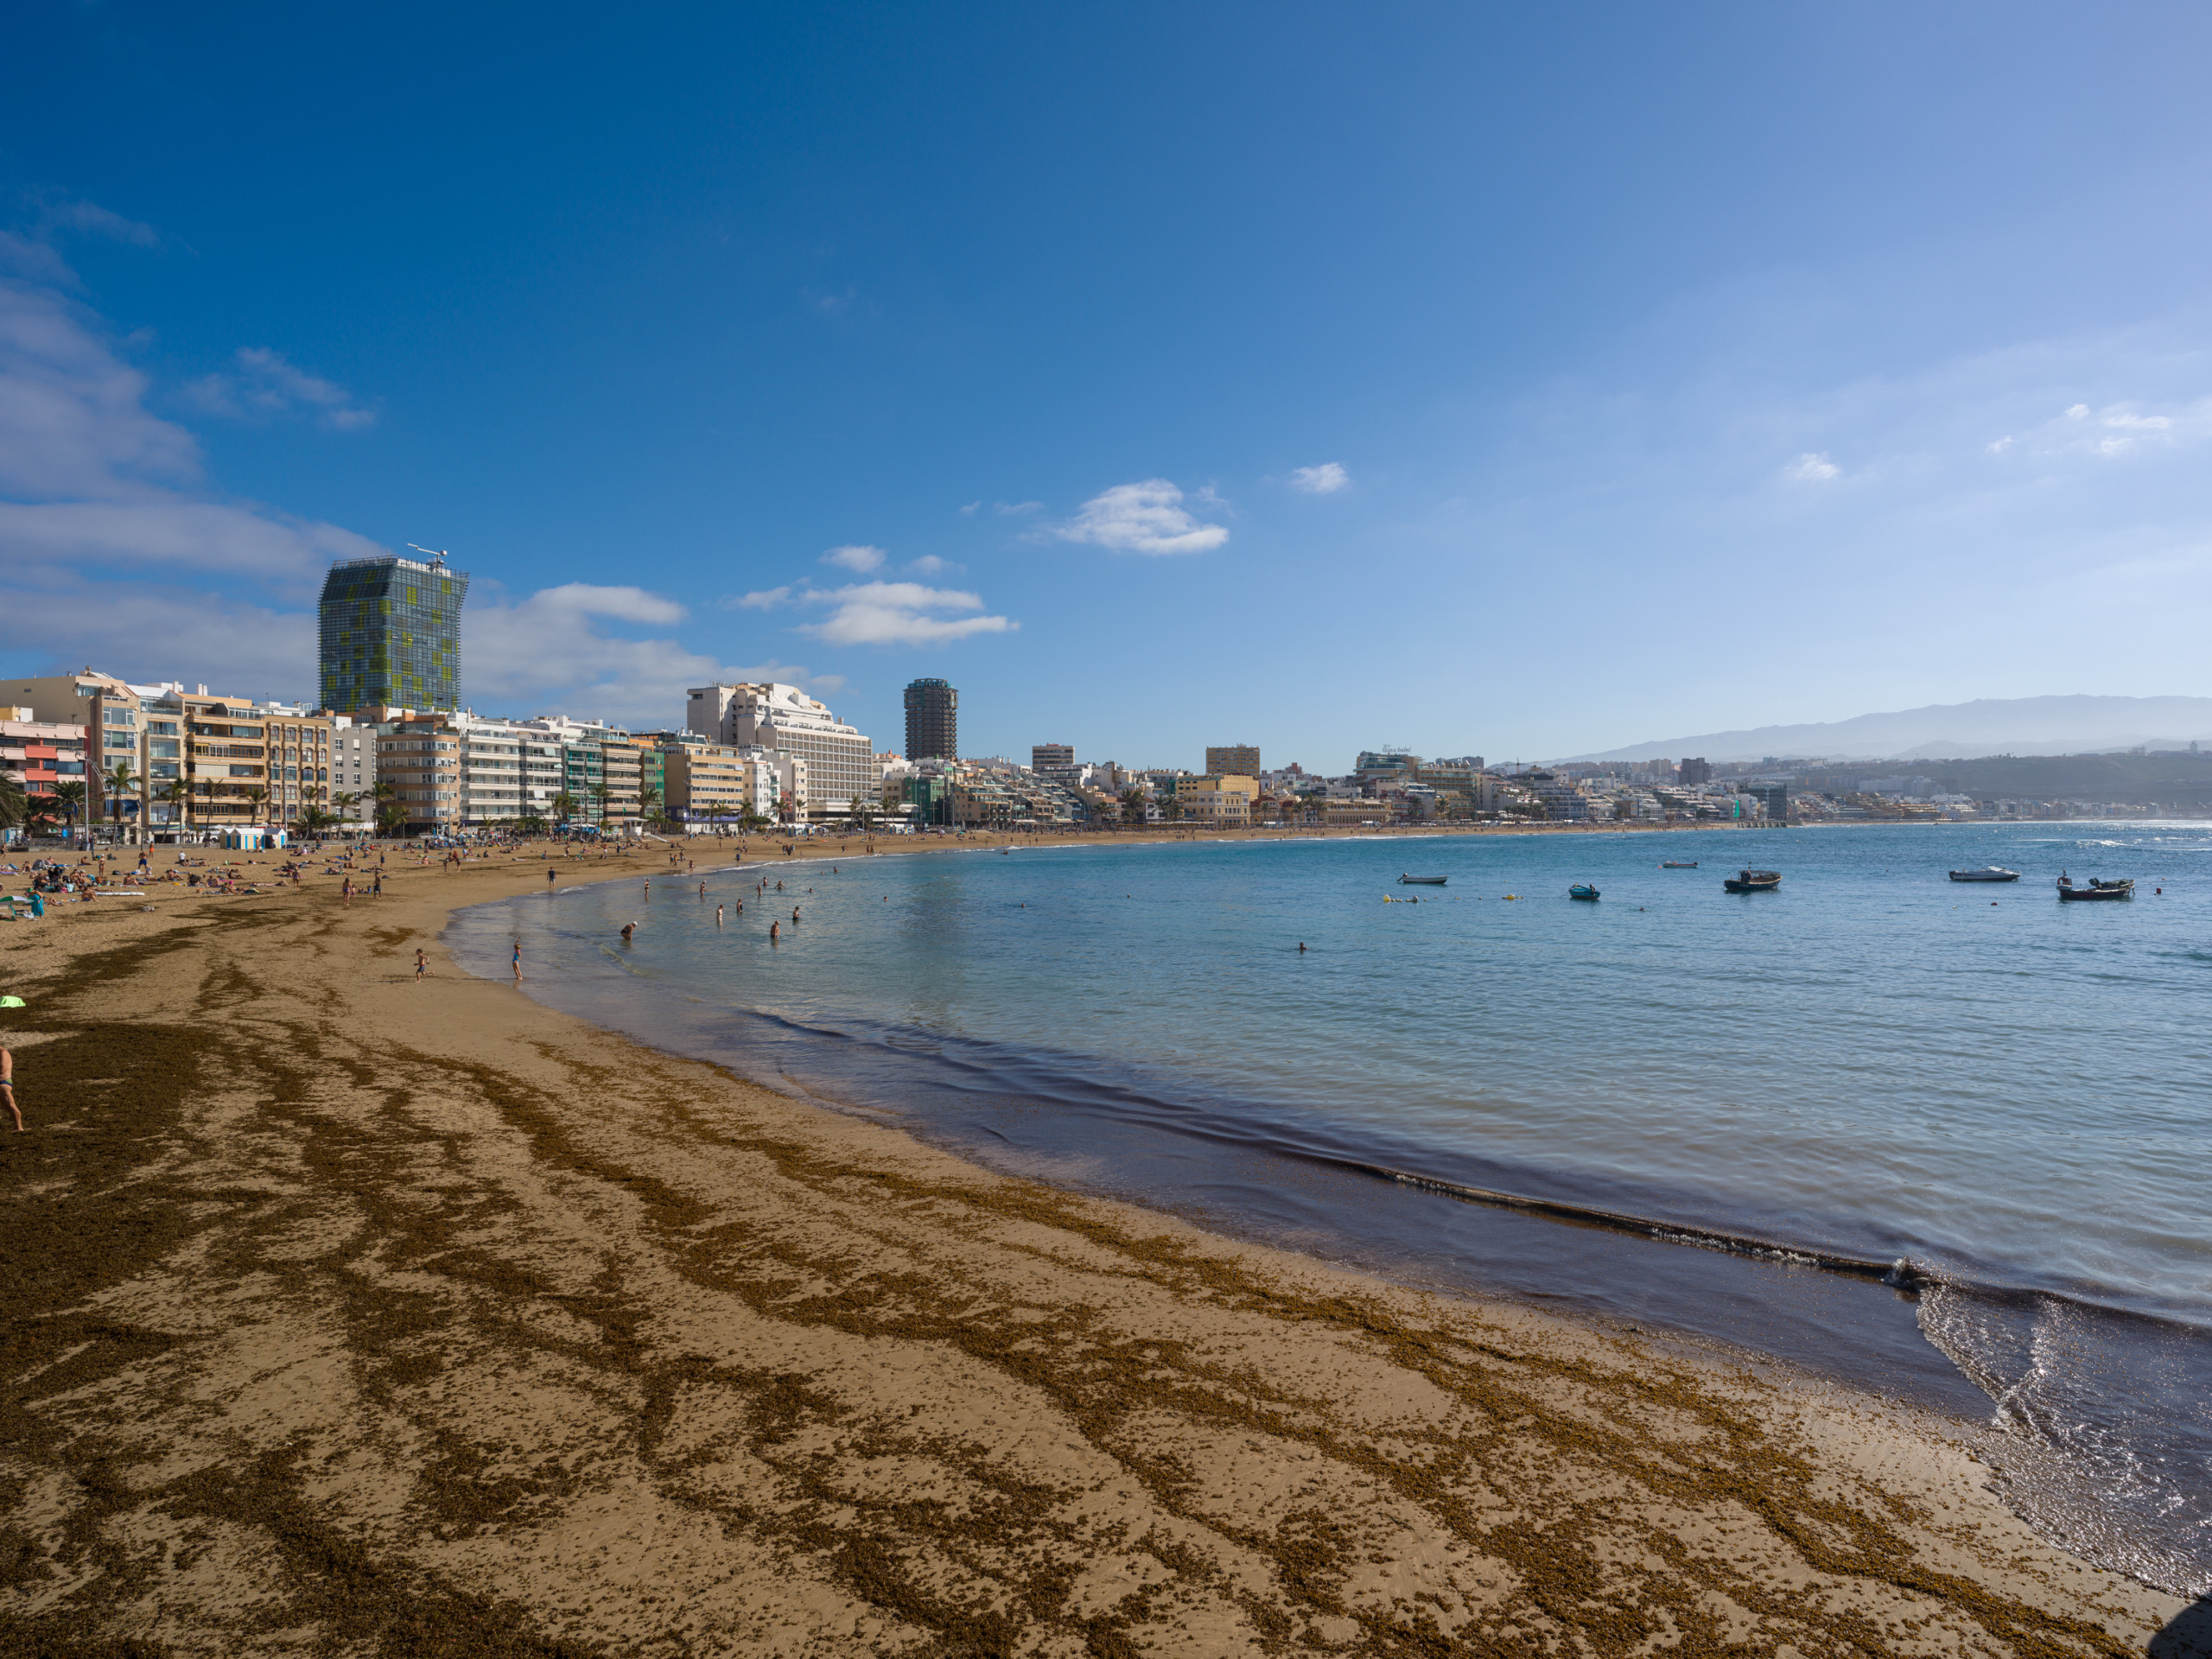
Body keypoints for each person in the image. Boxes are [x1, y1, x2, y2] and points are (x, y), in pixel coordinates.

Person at [0, 1045, 19, 1132]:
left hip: (3, 1083)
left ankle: (19, 1127)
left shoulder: (3, 1053)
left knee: (11, 1106)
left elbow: (2, 1070)